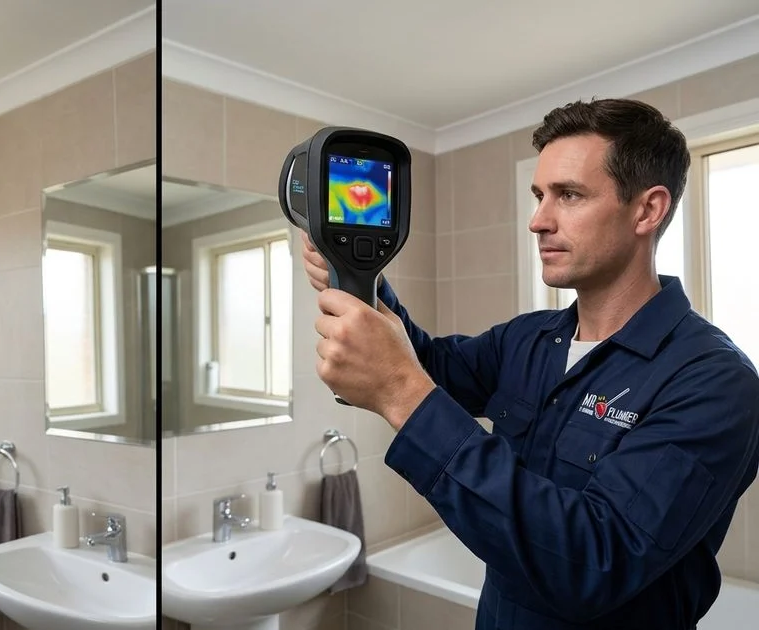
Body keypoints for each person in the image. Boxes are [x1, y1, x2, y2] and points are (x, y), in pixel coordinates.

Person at [302, 98, 759, 629]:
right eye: (540, 196)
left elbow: (594, 563)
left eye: (569, 195)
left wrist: (401, 392)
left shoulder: (715, 382)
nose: (538, 221)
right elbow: (426, 366)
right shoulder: (529, 339)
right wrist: (363, 281)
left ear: (647, 210)